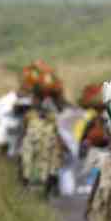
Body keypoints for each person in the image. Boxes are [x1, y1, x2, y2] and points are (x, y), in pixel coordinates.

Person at [19, 61, 66, 198]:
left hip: (47, 140)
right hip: (34, 139)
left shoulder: (53, 112)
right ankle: (29, 183)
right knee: (28, 163)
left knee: (48, 167)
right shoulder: (29, 113)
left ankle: (49, 185)